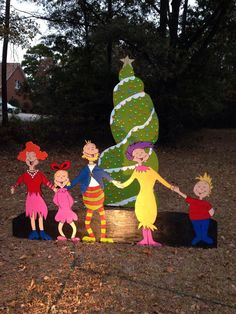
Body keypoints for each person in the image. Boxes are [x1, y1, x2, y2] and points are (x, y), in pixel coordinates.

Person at [119, 141, 175, 247]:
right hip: (142, 197)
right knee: (143, 218)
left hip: (150, 197)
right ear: (134, 158)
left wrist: (171, 187)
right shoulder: (136, 171)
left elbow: (161, 180)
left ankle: (151, 240)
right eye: (137, 154)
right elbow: (129, 182)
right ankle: (145, 239)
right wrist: (120, 185)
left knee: (150, 217)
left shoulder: (150, 170)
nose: (140, 155)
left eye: (141, 152)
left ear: (145, 155)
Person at [67, 140, 122, 243]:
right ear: (85, 155)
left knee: (102, 218)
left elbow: (106, 175)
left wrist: (114, 182)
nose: (92, 151)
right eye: (89, 149)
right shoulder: (85, 170)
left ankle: (103, 236)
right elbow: (77, 179)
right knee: (88, 219)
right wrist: (65, 188)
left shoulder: (98, 169)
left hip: (98, 195)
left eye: (93, 149)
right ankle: (91, 235)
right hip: (89, 196)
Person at [11, 141, 56, 240]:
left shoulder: (39, 174)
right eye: (29, 157)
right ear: (26, 159)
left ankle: (42, 232)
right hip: (30, 197)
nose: (31, 159)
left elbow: (46, 182)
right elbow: (18, 182)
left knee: (40, 214)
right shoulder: (25, 175)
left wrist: (54, 189)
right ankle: (34, 231)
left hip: (38, 196)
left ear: (37, 159)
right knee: (32, 215)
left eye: (33, 157)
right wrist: (14, 187)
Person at [173, 173, 215, 245]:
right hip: (195, 219)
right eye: (199, 186)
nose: (201, 189)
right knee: (197, 229)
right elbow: (185, 197)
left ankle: (204, 237)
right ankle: (199, 237)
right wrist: (178, 191)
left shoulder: (206, 203)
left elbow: (211, 211)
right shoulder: (193, 201)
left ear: (208, 192)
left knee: (204, 229)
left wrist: (208, 215)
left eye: (204, 188)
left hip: (204, 219)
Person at [51, 161, 80, 242]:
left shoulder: (66, 191)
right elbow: (55, 200)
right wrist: (60, 206)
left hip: (67, 210)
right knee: (61, 224)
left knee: (71, 223)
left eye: (63, 176)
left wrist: (68, 207)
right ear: (55, 180)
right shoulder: (58, 192)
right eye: (58, 176)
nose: (61, 178)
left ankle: (73, 236)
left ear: (67, 179)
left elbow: (71, 200)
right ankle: (62, 236)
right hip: (61, 210)